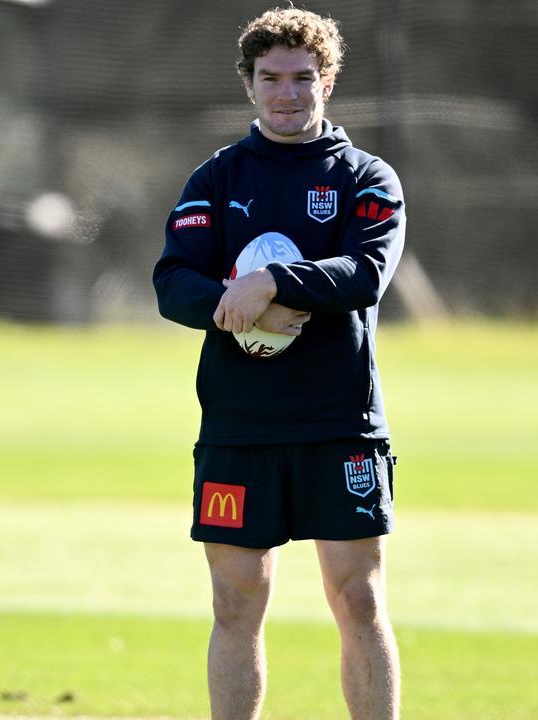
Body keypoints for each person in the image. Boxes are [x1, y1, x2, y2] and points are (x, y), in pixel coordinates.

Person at [152, 8, 405, 720]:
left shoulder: (366, 177)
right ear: (249, 85)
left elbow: (368, 272)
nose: (287, 94)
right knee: (235, 601)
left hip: (339, 420)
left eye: (302, 78)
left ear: (327, 80)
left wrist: (276, 282)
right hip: (241, 424)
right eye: (272, 79)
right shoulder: (216, 178)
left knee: (358, 597)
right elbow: (174, 282)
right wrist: (244, 304)